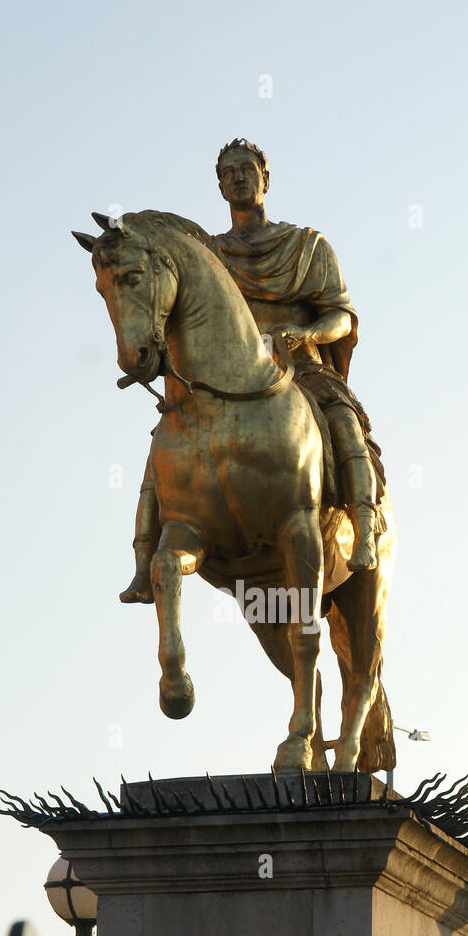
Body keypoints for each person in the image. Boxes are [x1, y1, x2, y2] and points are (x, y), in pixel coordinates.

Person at [119, 139, 384, 603]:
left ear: (265, 178)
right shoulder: (208, 256)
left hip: (300, 368)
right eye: (228, 172)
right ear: (220, 187)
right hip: (225, 382)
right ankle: (145, 564)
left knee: (341, 418)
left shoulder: (306, 246)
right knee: (162, 447)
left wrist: (305, 336)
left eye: (247, 169)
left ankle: (363, 524)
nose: (238, 177)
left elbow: (340, 315)